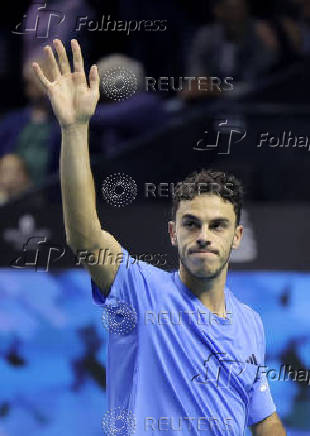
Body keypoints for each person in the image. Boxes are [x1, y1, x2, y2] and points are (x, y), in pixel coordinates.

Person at [32, 38, 287, 435]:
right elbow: (84, 236)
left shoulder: (251, 323)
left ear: (237, 236)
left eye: (217, 225)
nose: (203, 235)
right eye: (191, 223)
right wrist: (75, 128)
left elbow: (264, 418)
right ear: (172, 232)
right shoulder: (139, 289)